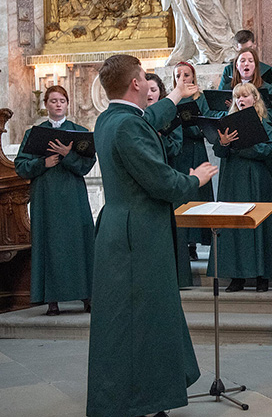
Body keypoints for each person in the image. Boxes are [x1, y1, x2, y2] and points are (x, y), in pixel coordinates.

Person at [87, 54, 218, 417]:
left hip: (122, 228)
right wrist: (194, 179)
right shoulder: (127, 127)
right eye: (145, 78)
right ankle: (141, 400)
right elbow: (161, 181)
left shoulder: (109, 119)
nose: (149, 83)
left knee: (133, 318)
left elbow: (150, 119)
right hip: (138, 234)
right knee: (143, 321)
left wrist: (176, 94)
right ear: (135, 84)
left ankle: (141, 396)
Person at [14, 85, 95, 316]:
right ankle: (52, 300)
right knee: (50, 245)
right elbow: (21, 166)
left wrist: (68, 155)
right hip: (46, 197)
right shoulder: (35, 133)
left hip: (73, 196)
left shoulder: (79, 132)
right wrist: (43, 163)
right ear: (46, 105)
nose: (58, 105)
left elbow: (86, 166)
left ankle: (87, 296)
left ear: (67, 104)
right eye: (53, 101)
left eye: (62, 101)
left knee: (79, 242)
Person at [211, 83, 272, 292]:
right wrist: (224, 142)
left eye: (245, 96)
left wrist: (246, 148)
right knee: (235, 226)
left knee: (259, 224)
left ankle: (263, 275)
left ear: (255, 98)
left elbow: (271, 149)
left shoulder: (263, 122)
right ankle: (237, 276)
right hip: (233, 181)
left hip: (257, 181)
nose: (241, 100)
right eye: (238, 97)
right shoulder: (227, 122)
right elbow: (219, 151)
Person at [173, 61, 224, 276]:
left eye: (186, 74)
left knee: (198, 195)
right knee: (182, 197)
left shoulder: (199, 97)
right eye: (178, 75)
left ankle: (195, 242)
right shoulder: (172, 98)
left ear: (193, 76)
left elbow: (206, 120)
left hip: (195, 150)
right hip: (179, 152)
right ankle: (183, 241)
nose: (183, 78)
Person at [218, 30, 272, 97]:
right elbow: (221, 95)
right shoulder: (229, 70)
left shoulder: (267, 70)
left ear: (254, 45)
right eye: (242, 50)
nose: (246, 52)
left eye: (249, 48)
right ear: (237, 47)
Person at [230, 48, 272, 119]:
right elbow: (216, 112)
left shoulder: (265, 87)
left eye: (250, 61)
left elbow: (269, 116)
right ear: (237, 65)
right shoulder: (228, 86)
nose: (246, 64)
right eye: (242, 61)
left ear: (255, 65)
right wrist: (232, 108)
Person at [145, 72, 183, 162]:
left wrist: (159, 137)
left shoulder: (170, 114)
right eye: (145, 90)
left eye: (153, 90)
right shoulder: (136, 113)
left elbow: (176, 148)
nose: (149, 94)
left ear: (160, 92)